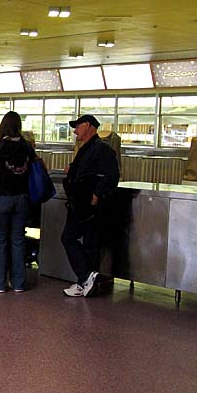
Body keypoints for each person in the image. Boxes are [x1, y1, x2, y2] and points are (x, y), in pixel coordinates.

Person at [61, 114, 120, 297]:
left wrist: (96, 195)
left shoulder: (101, 149)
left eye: (77, 126)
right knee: (79, 241)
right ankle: (85, 280)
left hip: (88, 207)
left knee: (78, 240)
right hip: (79, 204)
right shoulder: (86, 149)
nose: (74, 131)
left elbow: (112, 175)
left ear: (87, 126)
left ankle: (87, 277)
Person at [0, 111, 36, 293]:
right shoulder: (27, 146)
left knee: (0, 241)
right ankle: (19, 283)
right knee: (18, 240)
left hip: (1, 198)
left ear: (3, 126)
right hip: (22, 199)